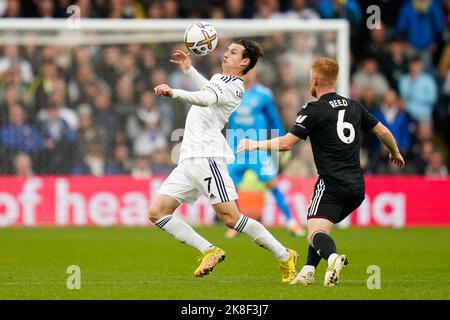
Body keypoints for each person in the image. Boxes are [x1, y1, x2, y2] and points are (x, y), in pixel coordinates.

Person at [238, 58, 405, 286]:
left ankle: (334, 259)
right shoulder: (354, 106)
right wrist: (395, 152)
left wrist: (255, 144)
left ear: (315, 80)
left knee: (313, 233)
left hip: (331, 184)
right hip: (357, 187)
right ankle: (307, 271)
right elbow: (382, 130)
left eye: (310, 77)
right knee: (320, 229)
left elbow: (288, 143)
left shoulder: (313, 109)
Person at [150, 39, 298, 283]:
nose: (225, 54)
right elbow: (209, 89)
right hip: (189, 158)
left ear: (245, 62)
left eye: (233, 52)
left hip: (208, 158)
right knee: (157, 213)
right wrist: (189, 69)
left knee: (231, 218)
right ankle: (209, 250)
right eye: (227, 50)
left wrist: (173, 92)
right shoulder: (221, 80)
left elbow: (207, 98)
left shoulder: (236, 87)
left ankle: (284, 255)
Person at [226, 68, 305, 238]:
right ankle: (236, 224)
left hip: (257, 149)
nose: (248, 74)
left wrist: (282, 142)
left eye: (251, 71)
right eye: (244, 71)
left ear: (255, 73)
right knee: (230, 187)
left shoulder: (264, 95)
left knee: (272, 184)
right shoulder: (231, 93)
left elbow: (274, 120)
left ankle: (292, 222)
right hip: (235, 148)